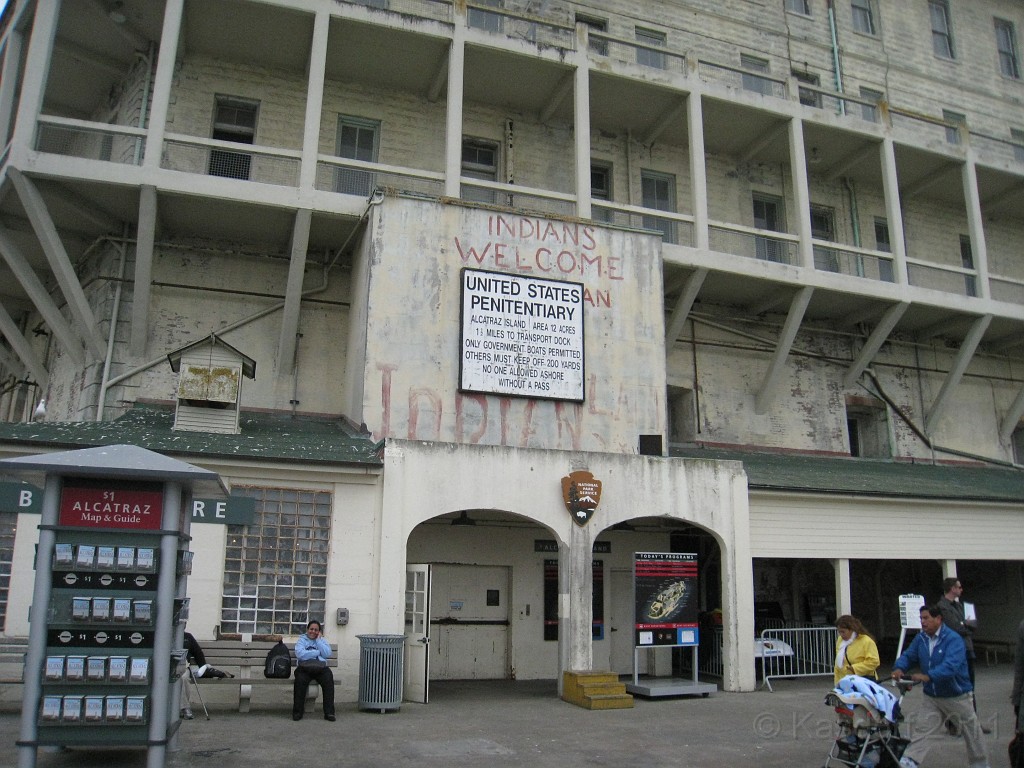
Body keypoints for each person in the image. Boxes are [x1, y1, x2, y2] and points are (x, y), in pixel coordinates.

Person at [892, 604, 991, 768]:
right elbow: (909, 655)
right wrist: (899, 667)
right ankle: (910, 761)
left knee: (971, 732)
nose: (923, 622)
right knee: (923, 729)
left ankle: (980, 764)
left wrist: (928, 676)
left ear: (938, 619)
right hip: (932, 696)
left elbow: (950, 666)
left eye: (926, 618)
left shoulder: (953, 639)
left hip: (957, 696)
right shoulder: (921, 638)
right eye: (921, 618)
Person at [937, 577, 989, 733]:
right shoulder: (942, 607)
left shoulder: (960, 605)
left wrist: (965, 625)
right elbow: (955, 627)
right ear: (952, 588)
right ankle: (953, 723)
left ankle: (973, 722)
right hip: (953, 652)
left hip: (967, 649)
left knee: (969, 688)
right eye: (959, 587)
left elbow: (972, 625)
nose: (961, 589)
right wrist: (965, 625)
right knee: (954, 687)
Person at [293, 619, 336, 722]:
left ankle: (329, 713)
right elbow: (300, 654)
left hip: (320, 668)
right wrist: (317, 652)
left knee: (328, 678)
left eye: (316, 630)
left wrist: (318, 641)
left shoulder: (322, 641)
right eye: (311, 629)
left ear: (319, 632)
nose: (313, 631)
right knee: (299, 681)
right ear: (307, 630)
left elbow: (327, 653)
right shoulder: (302, 640)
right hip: (304, 668)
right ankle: (297, 712)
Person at [833, 614, 881, 684]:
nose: (841, 635)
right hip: (846, 681)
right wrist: (837, 683)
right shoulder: (840, 641)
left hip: (863, 681)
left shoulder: (866, 641)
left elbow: (874, 662)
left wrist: (855, 668)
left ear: (852, 629)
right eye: (839, 632)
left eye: (843, 632)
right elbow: (837, 664)